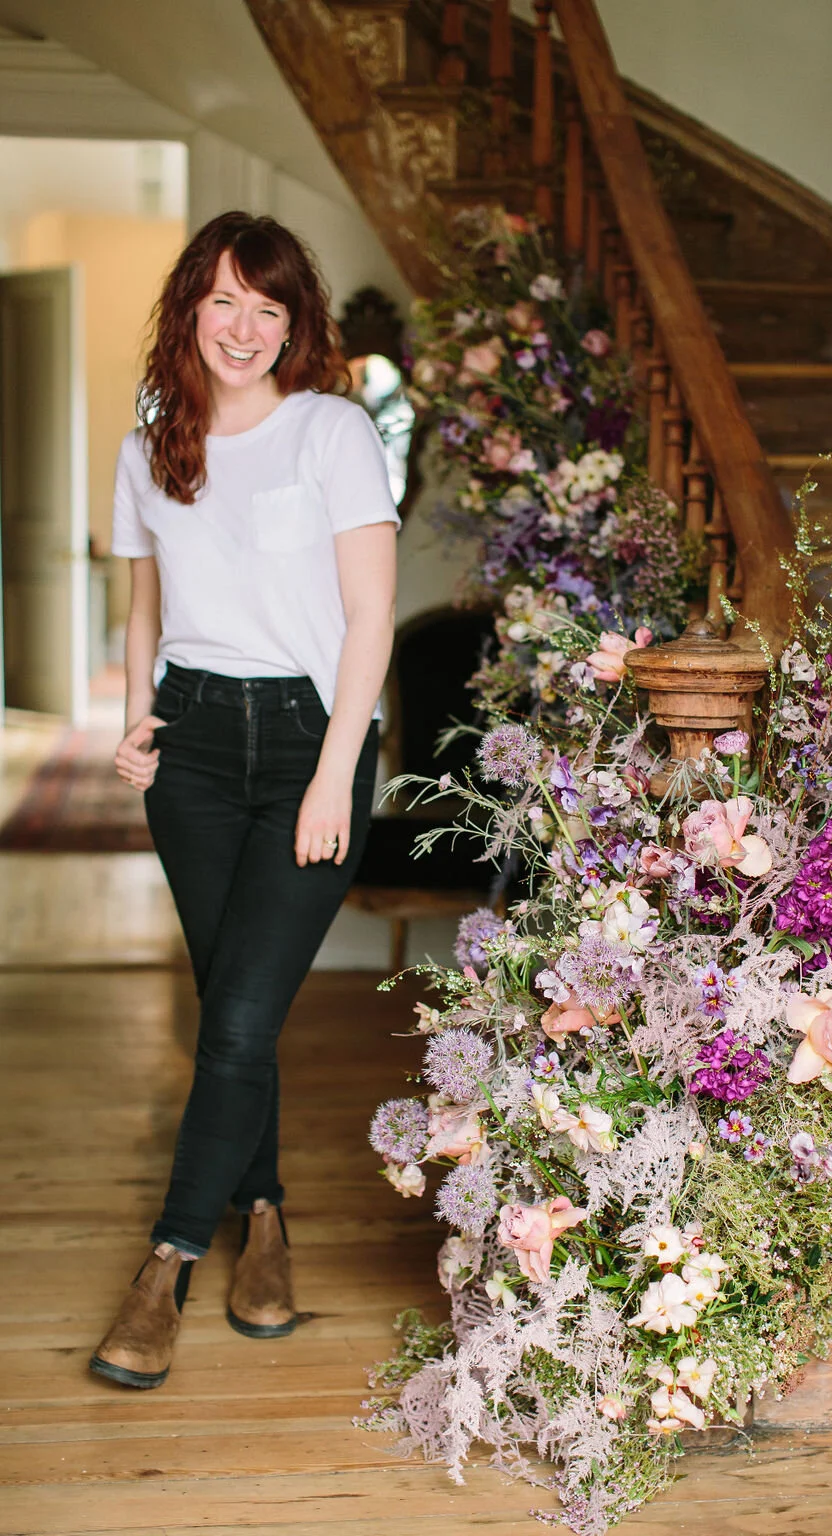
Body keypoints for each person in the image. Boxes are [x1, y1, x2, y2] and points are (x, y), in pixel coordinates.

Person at [90, 211, 399, 1390]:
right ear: (190, 307)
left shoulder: (330, 431)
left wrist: (334, 774)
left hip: (310, 744)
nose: (245, 328)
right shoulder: (153, 442)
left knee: (232, 1019)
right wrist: (134, 716)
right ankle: (263, 1216)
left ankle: (164, 1262)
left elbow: (367, 617)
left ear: (295, 326)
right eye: (225, 300)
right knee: (233, 1005)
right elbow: (141, 606)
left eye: (269, 309)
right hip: (197, 743)